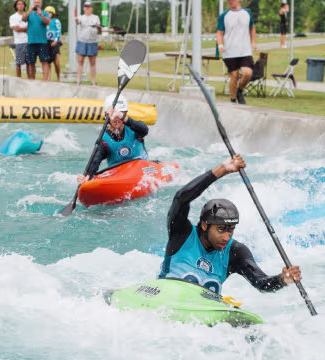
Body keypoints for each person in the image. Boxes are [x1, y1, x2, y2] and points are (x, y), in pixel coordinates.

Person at [158, 155, 302, 295]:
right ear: (204, 225)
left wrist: (281, 280)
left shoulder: (235, 252)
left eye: (231, 230)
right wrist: (222, 170)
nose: (226, 237)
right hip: (164, 300)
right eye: (220, 230)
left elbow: (262, 283)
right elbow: (180, 199)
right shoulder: (182, 234)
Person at [77, 94, 149, 185]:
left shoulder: (134, 129)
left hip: (142, 169)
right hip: (119, 176)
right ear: (106, 116)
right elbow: (95, 161)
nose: (117, 119)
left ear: (125, 114)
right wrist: (87, 177)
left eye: (120, 115)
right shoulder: (104, 139)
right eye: (113, 116)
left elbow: (145, 130)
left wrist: (121, 115)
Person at [217, 0, 258, 105]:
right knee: (234, 76)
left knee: (248, 73)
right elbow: (219, 33)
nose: (230, 2)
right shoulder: (224, 15)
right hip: (230, 51)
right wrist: (220, 45)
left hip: (245, 50)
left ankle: (239, 91)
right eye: (228, 0)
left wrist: (253, 42)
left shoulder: (247, 13)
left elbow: (252, 28)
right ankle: (232, 100)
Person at [22, 0, 51, 81]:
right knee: (31, 63)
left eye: (38, 2)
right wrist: (28, 11)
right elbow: (23, 19)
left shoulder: (45, 13)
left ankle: (45, 81)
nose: (36, 4)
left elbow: (48, 22)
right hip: (31, 42)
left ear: (41, 3)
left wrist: (40, 14)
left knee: (44, 61)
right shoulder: (30, 13)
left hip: (42, 42)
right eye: (35, 2)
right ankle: (32, 81)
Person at [75, 1, 101, 86]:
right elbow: (77, 22)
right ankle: (78, 80)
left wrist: (98, 27)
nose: (87, 8)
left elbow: (99, 31)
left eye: (89, 7)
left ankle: (93, 81)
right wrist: (76, 20)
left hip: (92, 41)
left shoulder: (96, 18)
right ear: (83, 8)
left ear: (91, 8)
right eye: (86, 7)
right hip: (82, 40)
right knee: (80, 60)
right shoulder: (81, 17)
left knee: (92, 62)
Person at [9, 0, 29, 78]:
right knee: (18, 63)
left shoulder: (28, 16)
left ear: (24, 6)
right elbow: (16, 28)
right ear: (16, 6)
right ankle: (18, 79)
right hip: (19, 42)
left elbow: (31, 28)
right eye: (19, 4)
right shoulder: (13, 17)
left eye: (22, 4)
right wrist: (25, 29)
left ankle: (30, 79)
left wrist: (22, 28)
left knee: (29, 63)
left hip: (29, 41)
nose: (20, 5)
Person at [44, 6, 62, 82]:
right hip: (45, 42)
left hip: (54, 42)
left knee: (56, 62)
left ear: (53, 14)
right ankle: (48, 79)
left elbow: (58, 30)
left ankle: (59, 78)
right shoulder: (43, 21)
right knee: (47, 62)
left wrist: (56, 40)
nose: (48, 14)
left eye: (50, 12)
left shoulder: (56, 21)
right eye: (47, 13)